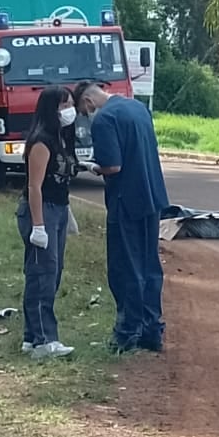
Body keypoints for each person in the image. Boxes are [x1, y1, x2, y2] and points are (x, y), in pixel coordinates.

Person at [77, 83, 170, 353]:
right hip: (152, 196)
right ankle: (152, 329)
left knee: (125, 267)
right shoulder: (138, 107)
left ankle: (127, 332)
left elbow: (113, 166)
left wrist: (95, 167)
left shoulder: (105, 119)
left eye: (83, 110)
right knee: (150, 264)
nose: (85, 114)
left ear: (88, 101)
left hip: (125, 201)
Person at [18, 85, 79, 359]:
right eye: (64, 106)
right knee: (42, 274)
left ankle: (32, 337)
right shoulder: (41, 141)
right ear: (51, 109)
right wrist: (39, 225)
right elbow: (35, 187)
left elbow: (62, 180)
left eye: (71, 105)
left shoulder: (63, 138)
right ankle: (44, 339)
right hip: (41, 210)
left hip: (59, 209)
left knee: (50, 273)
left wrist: (68, 215)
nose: (69, 111)